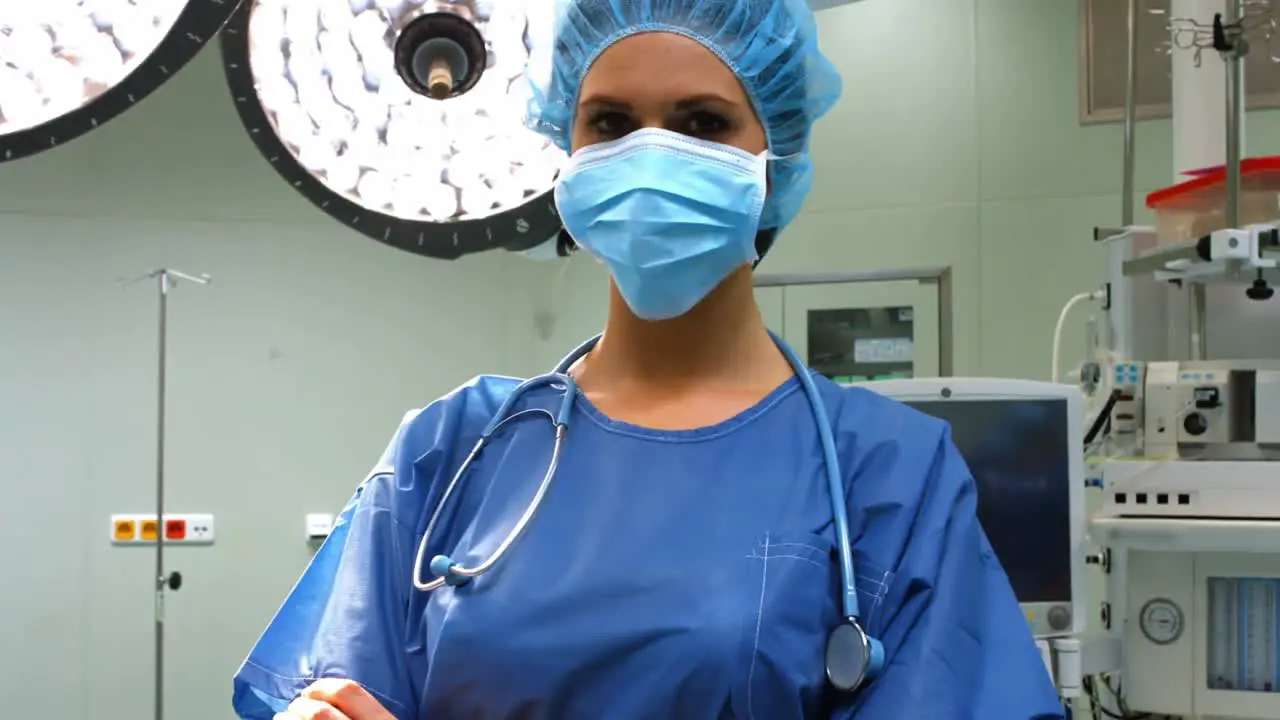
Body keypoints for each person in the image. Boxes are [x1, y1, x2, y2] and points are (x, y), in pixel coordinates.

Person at [232, 0, 1066, 718]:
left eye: (703, 123)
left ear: (772, 163)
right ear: (569, 147)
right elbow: (329, 692)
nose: (650, 156)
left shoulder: (885, 475)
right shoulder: (453, 450)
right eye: (611, 123)